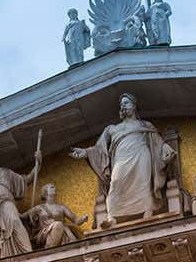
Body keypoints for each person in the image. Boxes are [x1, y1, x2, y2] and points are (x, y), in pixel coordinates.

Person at [70, 93, 176, 228]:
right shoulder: (112, 129)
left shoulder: (145, 125)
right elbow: (99, 148)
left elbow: (157, 142)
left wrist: (167, 149)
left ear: (134, 106)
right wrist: (85, 152)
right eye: (121, 104)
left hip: (141, 155)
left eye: (126, 103)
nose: (123, 106)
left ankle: (147, 212)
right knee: (115, 183)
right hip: (121, 159)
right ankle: (111, 217)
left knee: (144, 182)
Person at [21, 184, 88, 249]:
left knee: (59, 226)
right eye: (51, 187)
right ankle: (48, 251)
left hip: (63, 232)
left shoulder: (61, 207)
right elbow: (22, 217)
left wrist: (83, 218)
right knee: (57, 225)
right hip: (45, 234)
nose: (54, 188)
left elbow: (76, 220)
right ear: (46, 192)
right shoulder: (38, 208)